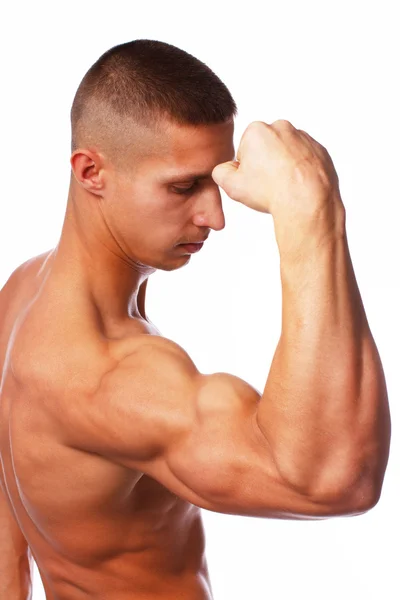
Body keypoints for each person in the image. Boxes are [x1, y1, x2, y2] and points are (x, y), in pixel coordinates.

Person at [0, 39, 390, 600]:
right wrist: (312, 211)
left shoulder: (21, 293)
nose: (215, 216)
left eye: (216, 180)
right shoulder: (110, 378)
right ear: (90, 171)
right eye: (184, 187)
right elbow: (334, 480)